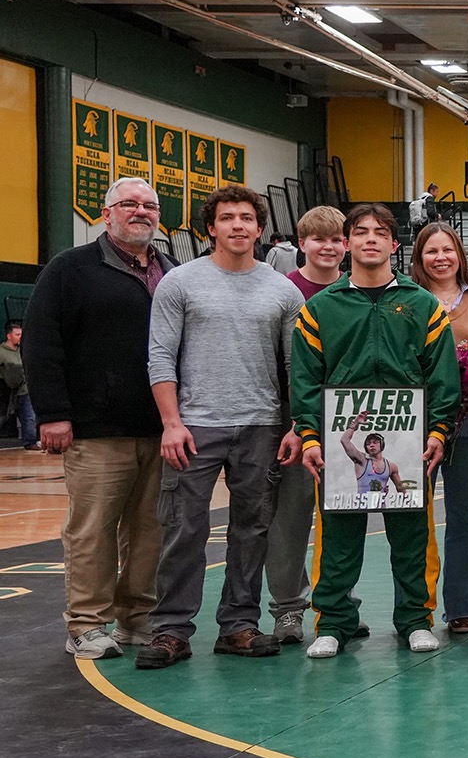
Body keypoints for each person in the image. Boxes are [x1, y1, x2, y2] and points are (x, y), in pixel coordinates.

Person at [136, 184, 304, 669]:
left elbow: (297, 367)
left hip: (261, 426)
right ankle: (171, 631)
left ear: (259, 228)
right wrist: (171, 423)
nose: (237, 226)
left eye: (246, 218)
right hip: (194, 427)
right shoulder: (180, 283)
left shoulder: (282, 289)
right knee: (183, 529)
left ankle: (238, 625)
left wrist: (296, 425)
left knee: (252, 530)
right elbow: (160, 355)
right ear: (210, 227)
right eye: (227, 218)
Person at [290, 203, 459, 658]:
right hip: (340, 445)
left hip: (408, 443)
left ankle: (415, 620)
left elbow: (443, 377)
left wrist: (439, 431)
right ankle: (333, 623)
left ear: (394, 244)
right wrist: (309, 436)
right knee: (338, 539)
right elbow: (305, 379)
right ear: (346, 244)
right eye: (360, 232)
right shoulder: (320, 309)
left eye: (379, 232)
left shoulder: (424, 306)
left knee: (412, 537)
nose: (370, 239)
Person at [25, 177, 178, 659]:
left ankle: (137, 618)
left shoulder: (171, 270)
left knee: (151, 530)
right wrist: (53, 413)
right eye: (128, 204)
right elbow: (41, 341)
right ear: (106, 214)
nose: (140, 212)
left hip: (161, 429)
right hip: (96, 429)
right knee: (92, 530)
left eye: (149, 206)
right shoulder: (69, 269)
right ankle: (87, 624)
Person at [410, 223, 468, 635]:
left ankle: (462, 608)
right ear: (419, 258)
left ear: (460, 256)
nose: (441, 257)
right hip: (415, 430)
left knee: (465, 516)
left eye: (448, 249)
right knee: (412, 518)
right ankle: (415, 609)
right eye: (431, 251)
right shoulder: (406, 302)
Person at [263, 205, 347, 642]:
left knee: (343, 517)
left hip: (349, 417)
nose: (327, 246)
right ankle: (288, 609)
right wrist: (296, 419)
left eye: (335, 239)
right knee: (291, 517)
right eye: (318, 239)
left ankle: (339, 605)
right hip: (295, 419)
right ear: (302, 244)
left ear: (346, 245)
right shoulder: (281, 290)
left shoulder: (358, 289)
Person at [1, 322, 33, 449]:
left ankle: (30, 441)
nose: (20, 337)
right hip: (7, 392)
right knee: (3, 417)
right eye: (17, 334)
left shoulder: (23, 351)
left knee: (29, 416)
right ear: (9, 336)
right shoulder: (1, 352)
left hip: (24, 390)